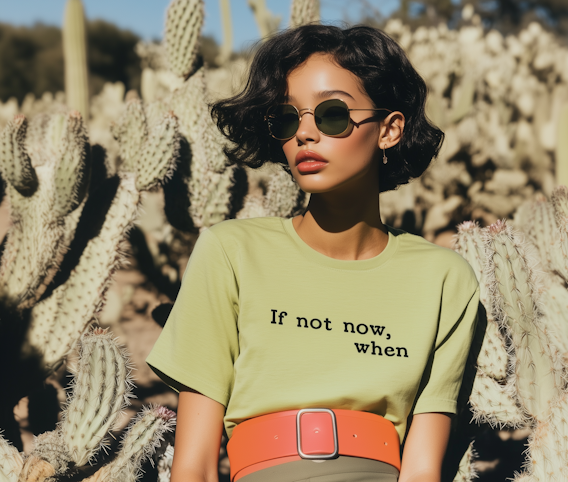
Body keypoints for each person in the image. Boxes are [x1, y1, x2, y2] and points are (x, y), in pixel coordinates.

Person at [146, 24, 479, 482]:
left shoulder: (443, 277)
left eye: (332, 114)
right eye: (287, 118)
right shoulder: (230, 252)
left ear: (389, 129)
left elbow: (423, 467)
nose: (304, 133)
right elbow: (195, 465)